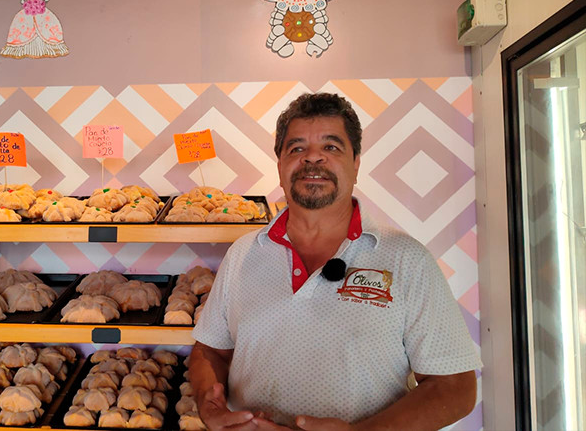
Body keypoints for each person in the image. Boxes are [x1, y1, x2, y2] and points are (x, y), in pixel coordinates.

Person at [190, 92, 481, 430]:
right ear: (280, 165)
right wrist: (207, 405)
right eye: (296, 149)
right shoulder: (242, 254)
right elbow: (210, 352)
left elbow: (455, 387)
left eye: (331, 147)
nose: (313, 158)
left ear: (356, 162)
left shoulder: (407, 259)